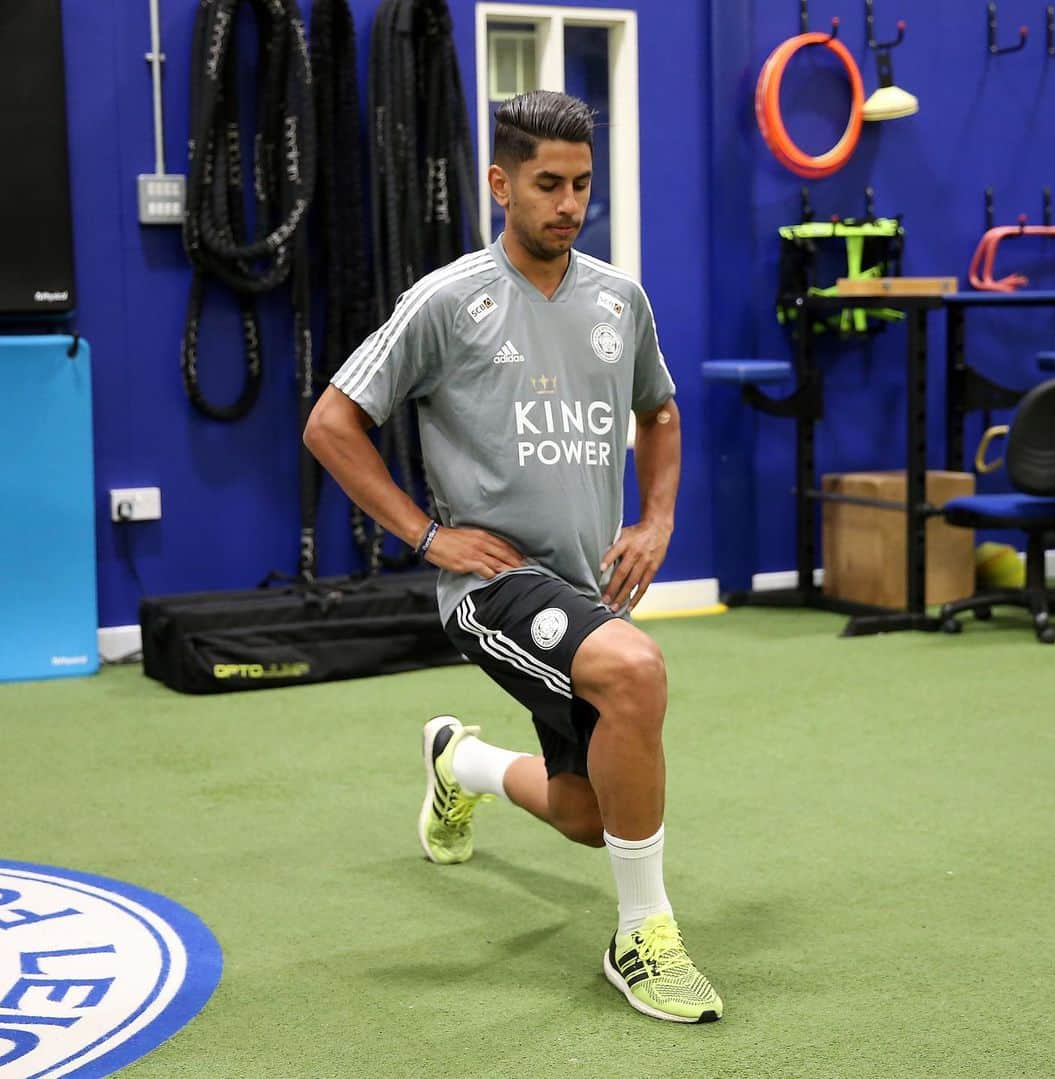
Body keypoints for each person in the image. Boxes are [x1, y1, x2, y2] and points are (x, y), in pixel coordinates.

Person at [303, 89, 722, 1024]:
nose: (569, 203)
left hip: (582, 591)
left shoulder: (620, 298)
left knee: (587, 815)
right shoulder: (448, 301)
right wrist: (424, 534)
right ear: (501, 183)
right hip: (489, 586)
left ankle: (460, 764)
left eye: (581, 184)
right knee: (636, 670)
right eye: (547, 184)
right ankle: (642, 936)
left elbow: (659, 411)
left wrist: (655, 523)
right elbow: (332, 423)